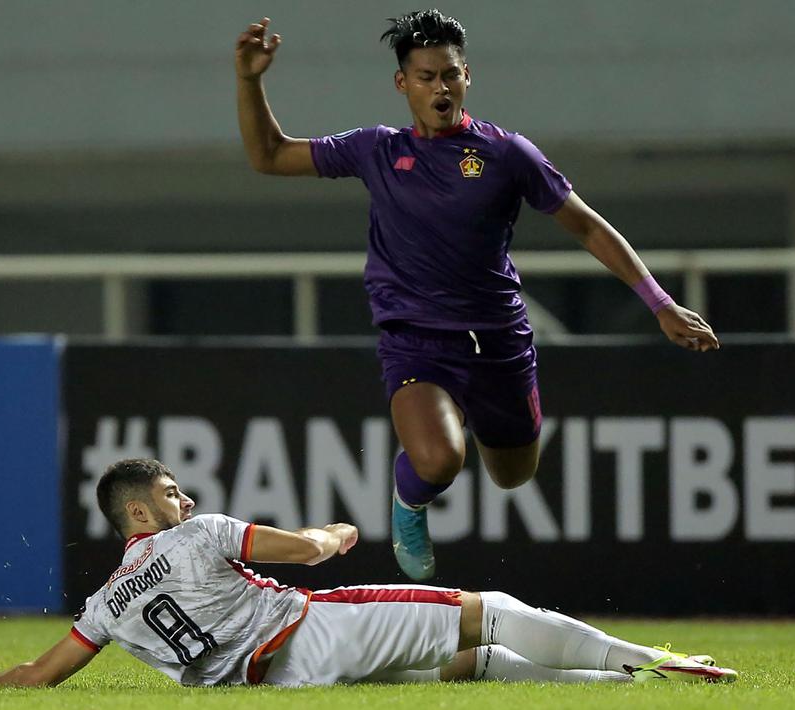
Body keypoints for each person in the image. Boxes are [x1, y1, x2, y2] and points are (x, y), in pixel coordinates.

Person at [234, 10, 721, 581]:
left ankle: (449, 454)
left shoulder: (506, 153)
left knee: (513, 474)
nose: (440, 88)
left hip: (499, 340)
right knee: (439, 458)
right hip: (415, 339)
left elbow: (587, 225)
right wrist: (249, 80)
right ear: (402, 84)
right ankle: (409, 501)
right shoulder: (375, 151)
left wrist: (659, 303)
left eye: (450, 75)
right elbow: (268, 156)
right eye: (426, 77)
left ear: (468, 76)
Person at [0, 459, 737, 687]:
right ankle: (656, 661)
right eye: (171, 492)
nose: (187, 497)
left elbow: (37, 676)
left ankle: (619, 684)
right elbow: (308, 553)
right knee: (489, 608)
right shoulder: (201, 534)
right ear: (139, 513)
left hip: (274, 680)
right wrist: (341, 528)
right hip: (313, 626)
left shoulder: (105, 602)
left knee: (464, 663)